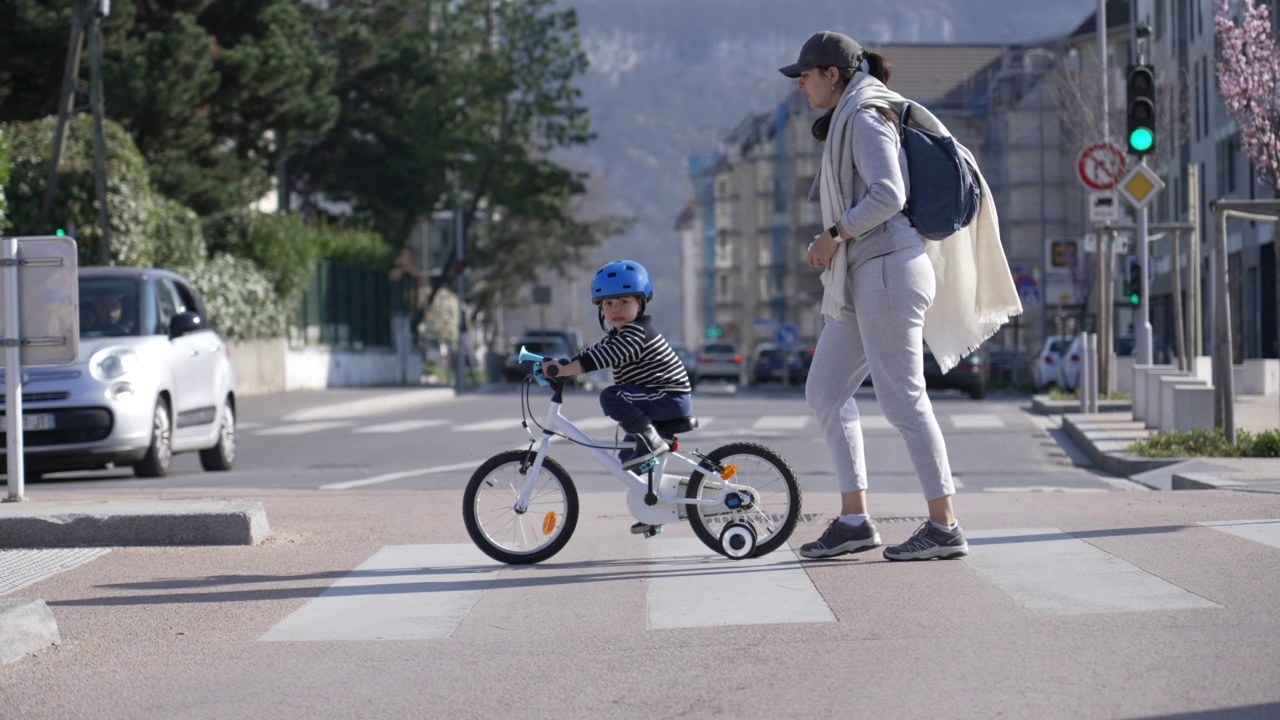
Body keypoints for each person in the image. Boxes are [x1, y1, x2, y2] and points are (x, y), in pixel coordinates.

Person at [778, 32, 1021, 561]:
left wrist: (835, 233)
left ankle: (944, 524)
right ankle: (854, 519)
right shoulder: (853, 113)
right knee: (824, 392)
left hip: (888, 270)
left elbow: (890, 194)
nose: (800, 81)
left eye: (807, 73)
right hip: (867, 274)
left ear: (834, 75)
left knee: (903, 399)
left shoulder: (864, 116)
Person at [539, 260, 692, 531]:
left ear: (641, 303)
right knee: (629, 462)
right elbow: (589, 353)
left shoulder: (636, 333)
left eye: (623, 301)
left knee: (611, 396)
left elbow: (599, 359)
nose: (615, 309)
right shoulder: (618, 335)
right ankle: (653, 512)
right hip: (654, 398)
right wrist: (563, 365)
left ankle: (652, 442)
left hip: (668, 397)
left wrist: (568, 369)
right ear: (601, 309)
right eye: (608, 304)